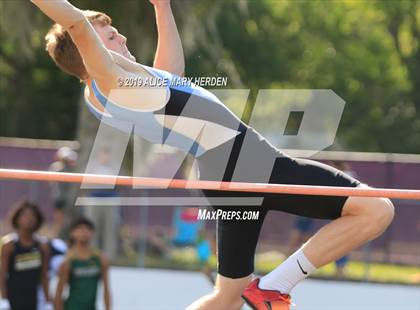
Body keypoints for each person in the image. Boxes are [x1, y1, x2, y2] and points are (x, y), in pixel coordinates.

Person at [31, 0, 395, 309]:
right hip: (245, 163)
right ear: (89, 49)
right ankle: (273, 288)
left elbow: (171, 74)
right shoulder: (109, 80)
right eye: (110, 36)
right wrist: (79, 24)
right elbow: (75, 22)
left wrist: (162, 7)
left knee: (228, 296)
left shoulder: (121, 86)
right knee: (375, 208)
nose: (122, 36)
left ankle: (267, 289)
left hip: (227, 168)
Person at [0, 201, 51, 310]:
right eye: (25, 215)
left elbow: (44, 275)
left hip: (34, 299)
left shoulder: (43, 246)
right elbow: (3, 274)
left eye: (32, 216)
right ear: (17, 219)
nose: (29, 219)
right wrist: (3, 299)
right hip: (13, 298)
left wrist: (47, 301)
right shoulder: (9, 245)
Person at [55, 217, 111, 310]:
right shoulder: (68, 261)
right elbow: (59, 293)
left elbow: (106, 290)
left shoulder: (101, 259)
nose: (84, 232)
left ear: (93, 233)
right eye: (80, 229)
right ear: (72, 233)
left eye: (88, 229)